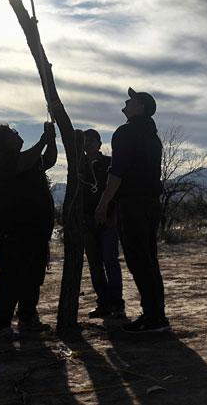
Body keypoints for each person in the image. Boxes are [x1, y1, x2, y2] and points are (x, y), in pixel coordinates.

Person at [95, 88, 168, 334]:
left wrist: (104, 203)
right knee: (149, 259)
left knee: (138, 260)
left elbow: (117, 172)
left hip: (133, 204)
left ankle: (153, 318)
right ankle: (157, 315)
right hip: (151, 204)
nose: (126, 101)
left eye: (132, 99)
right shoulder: (153, 137)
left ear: (141, 107)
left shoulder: (125, 133)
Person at [0, 121, 57, 341]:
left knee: (33, 277)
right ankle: (1, 324)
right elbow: (25, 162)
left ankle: (28, 318)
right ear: (3, 141)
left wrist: (51, 139)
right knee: (11, 278)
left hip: (35, 231)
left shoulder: (29, 158)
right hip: (15, 231)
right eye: (13, 133)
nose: (18, 135)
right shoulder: (2, 160)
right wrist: (43, 141)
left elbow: (49, 160)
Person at [79, 128, 126, 319]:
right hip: (87, 222)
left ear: (99, 143)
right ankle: (103, 303)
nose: (87, 143)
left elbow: (118, 189)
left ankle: (117, 304)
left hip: (108, 220)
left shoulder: (108, 163)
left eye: (91, 140)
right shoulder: (78, 167)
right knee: (95, 264)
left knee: (110, 261)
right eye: (84, 141)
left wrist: (113, 214)